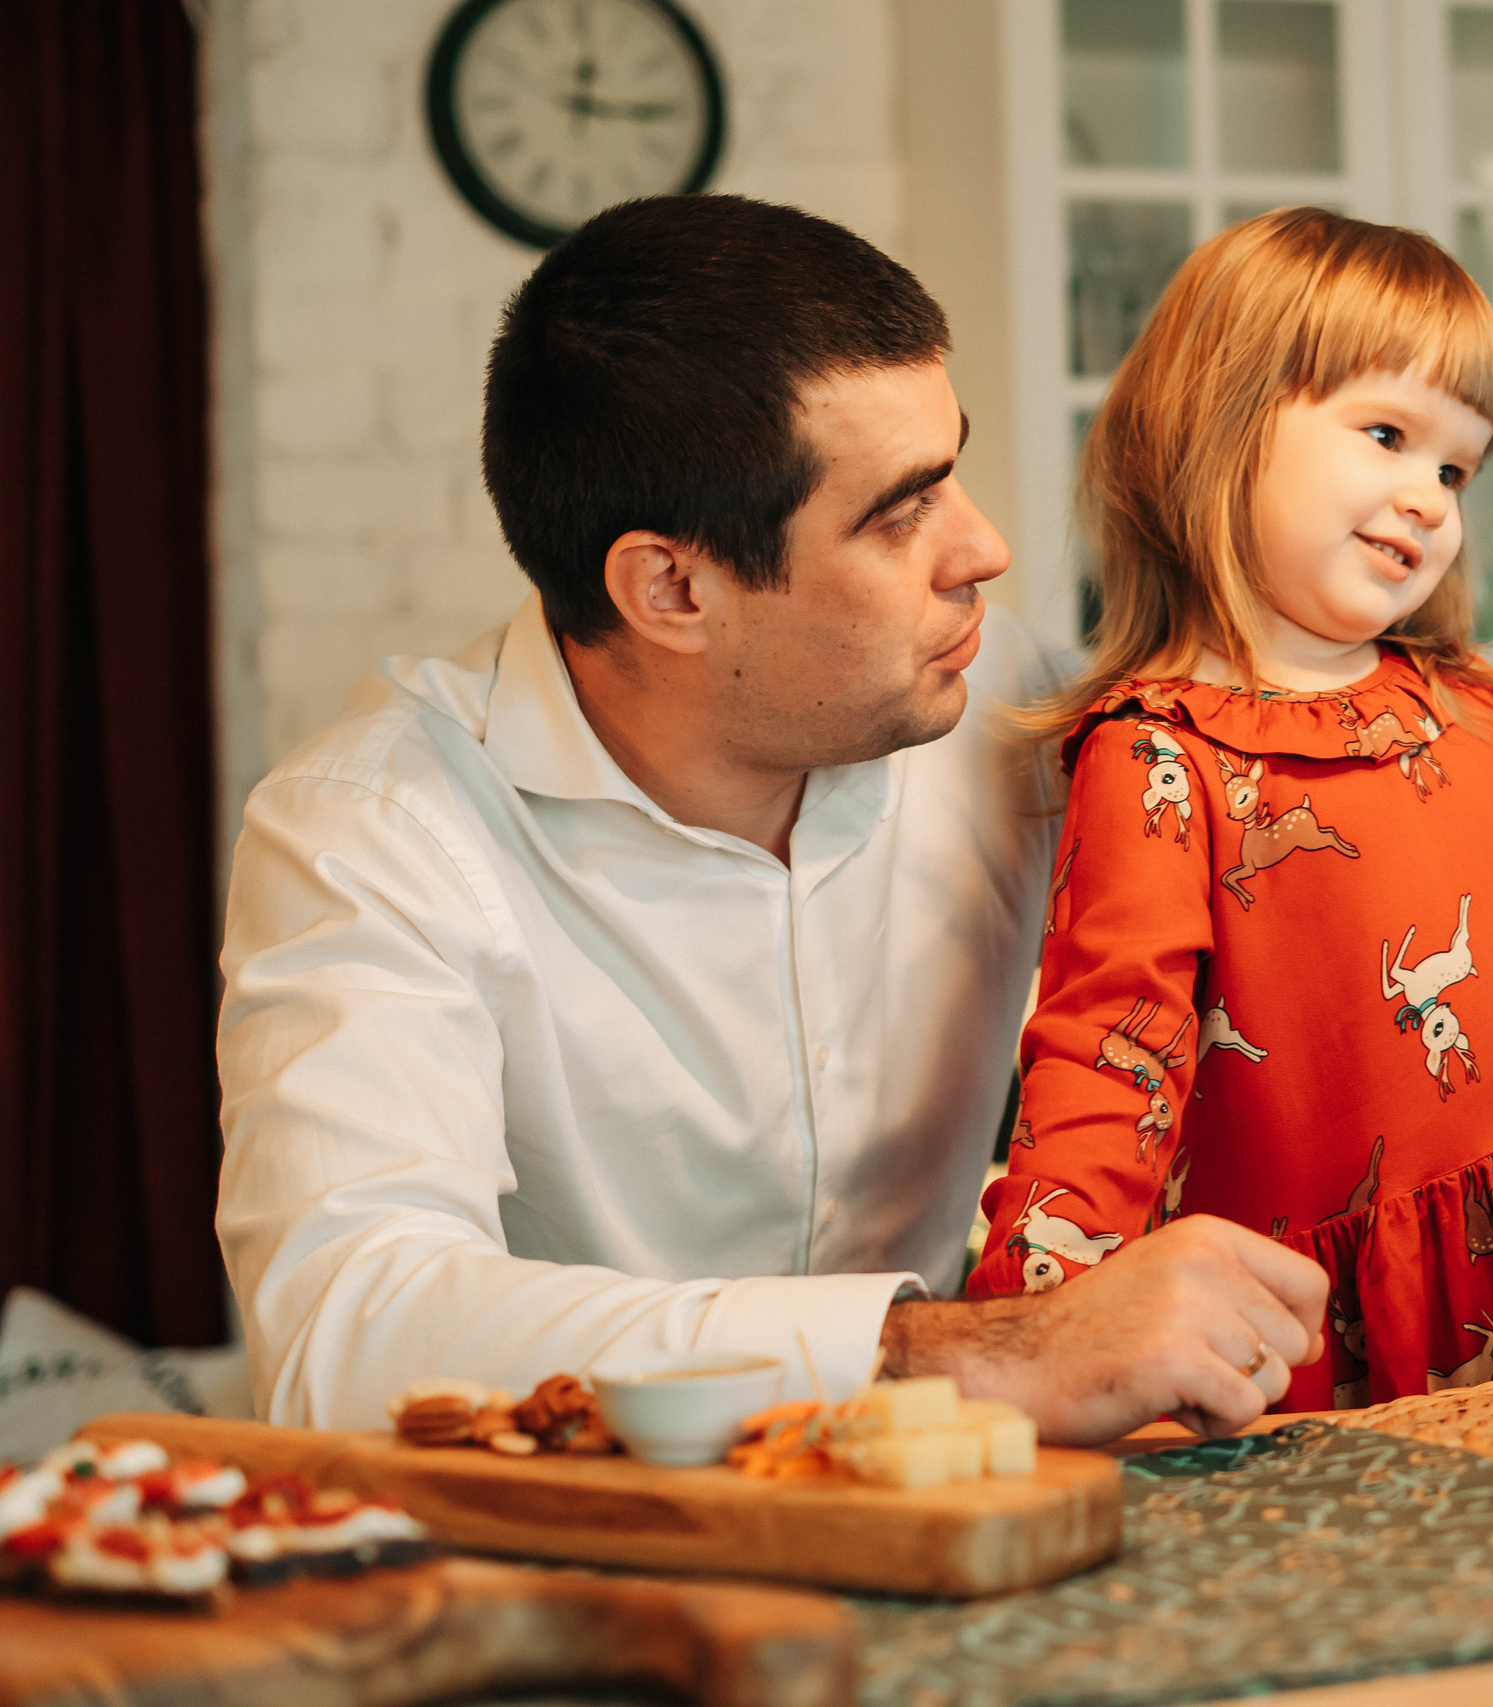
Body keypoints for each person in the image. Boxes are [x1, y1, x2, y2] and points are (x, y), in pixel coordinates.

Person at [215, 195, 1325, 1443]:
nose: (985, 548)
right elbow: (339, 1329)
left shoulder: (1011, 706)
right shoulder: (373, 829)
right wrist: (956, 1356)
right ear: (672, 586)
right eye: (901, 513)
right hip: (587, 1554)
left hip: (968, 1519)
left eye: (951, 471)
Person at [963, 209, 1493, 1409]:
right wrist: (1027, 1338)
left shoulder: (1475, 718)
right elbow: (1111, 1073)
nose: (1427, 497)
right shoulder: (1159, 756)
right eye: (1386, 434)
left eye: (1455, 468)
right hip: (1302, 1352)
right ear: (1218, 418)